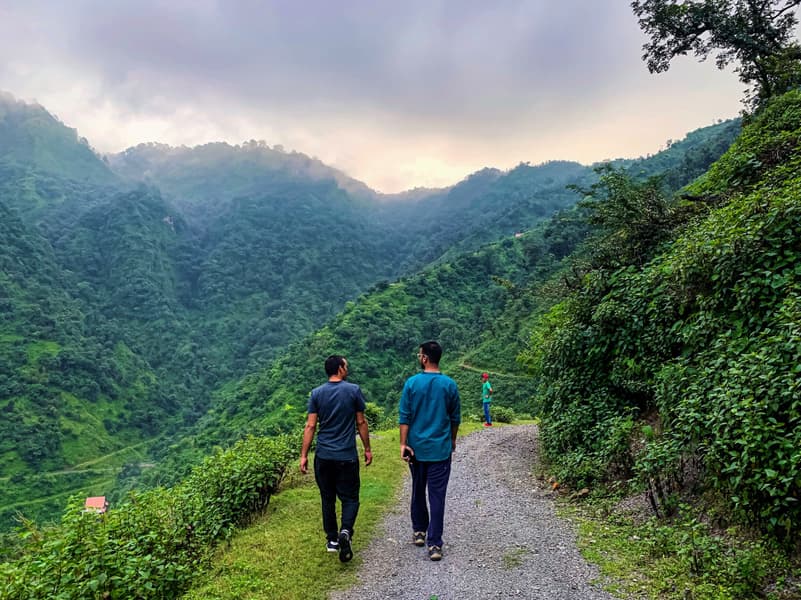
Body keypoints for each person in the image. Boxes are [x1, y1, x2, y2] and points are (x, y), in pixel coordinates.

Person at [300, 355, 372, 562]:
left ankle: (332, 539)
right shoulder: (353, 391)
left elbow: (311, 426)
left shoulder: (316, 394)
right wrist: (367, 448)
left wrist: (304, 455)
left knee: (327, 498)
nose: (347, 368)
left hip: (323, 456)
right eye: (346, 365)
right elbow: (361, 422)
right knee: (350, 498)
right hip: (346, 455)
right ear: (340, 369)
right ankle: (346, 531)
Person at [399, 340, 461, 561]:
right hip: (440, 450)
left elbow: (405, 417)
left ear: (424, 358)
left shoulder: (412, 384)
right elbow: (455, 419)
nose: (419, 357)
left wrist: (403, 443)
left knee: (417, 490)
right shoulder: (449, 385)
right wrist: (451, 441)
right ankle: (435, 544)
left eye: (419, 354)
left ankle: (419, 531)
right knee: (437, 496)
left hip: (416, 449)